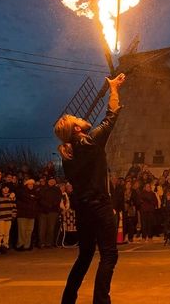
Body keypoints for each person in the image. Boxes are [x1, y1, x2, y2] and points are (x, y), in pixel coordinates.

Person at [55, 72, 125, 304]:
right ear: (76, 129)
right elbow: (111, 116)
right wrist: (114, 89)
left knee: (84, 256)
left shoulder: (68, 154)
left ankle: (68, 300)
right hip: (99, 205)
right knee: (109, 255)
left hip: (83, 209)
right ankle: (101, 301)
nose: (81, 118)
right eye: (76, 119)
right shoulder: (90, 141)